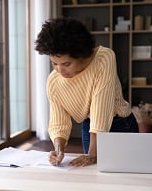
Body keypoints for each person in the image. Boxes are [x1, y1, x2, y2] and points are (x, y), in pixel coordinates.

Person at [34, 18, 139, 167]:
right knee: (92, 176)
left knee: (127, 175)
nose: (59, 70)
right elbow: (59, 122)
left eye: (66, 64)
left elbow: (100, 107)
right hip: (89, 126)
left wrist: (93, 153)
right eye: (54, 63)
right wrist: (58, 150)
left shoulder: (103, 58)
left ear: (81, 55)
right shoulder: (53, 81)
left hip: (120, 124)